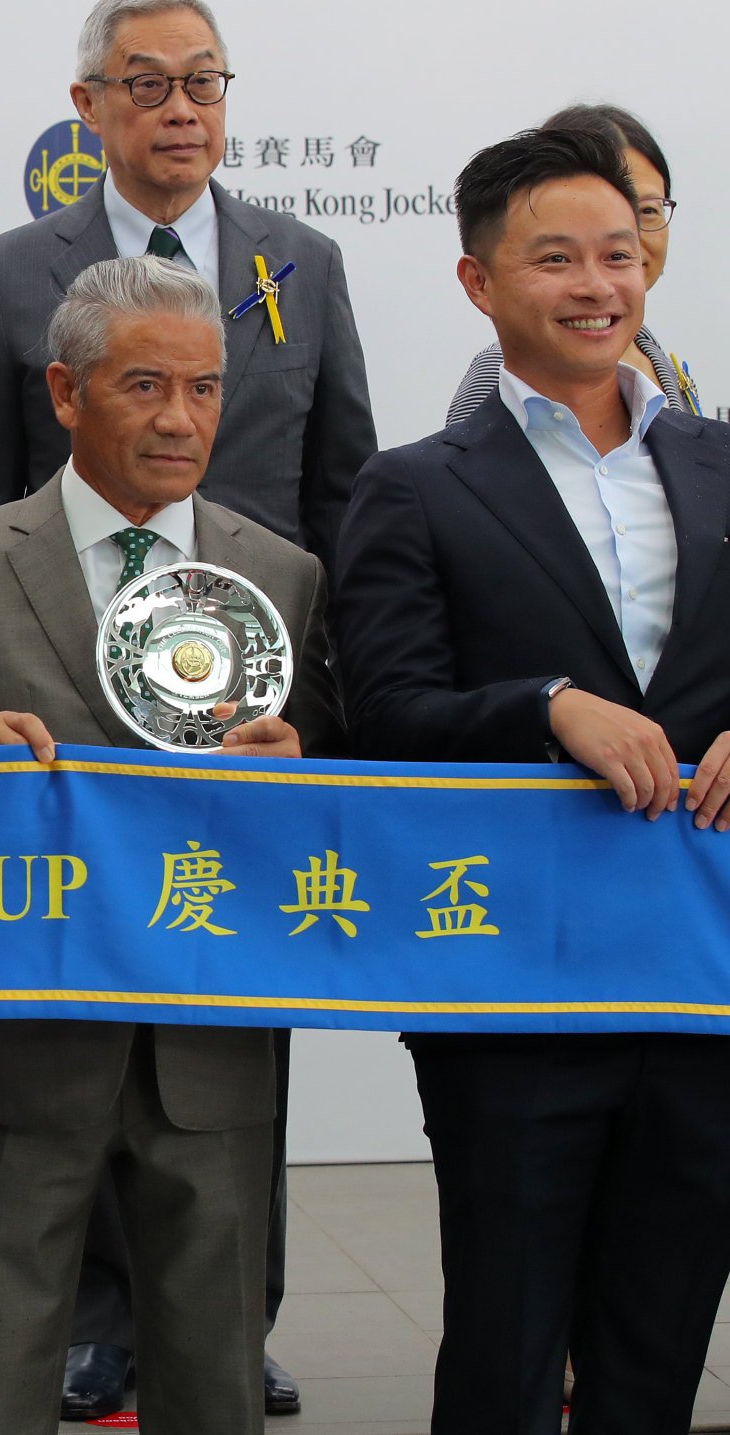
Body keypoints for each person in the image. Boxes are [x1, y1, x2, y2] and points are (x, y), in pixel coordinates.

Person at [0, 0, 367, 1412]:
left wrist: (309, 715)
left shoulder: (305, 263)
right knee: (11, 1293)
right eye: (149, 84)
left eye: (204, 82)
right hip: (48, 871)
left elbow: (342, 490)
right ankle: (89, 1322)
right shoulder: (13, 272)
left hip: (222, 842)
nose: (181, 108)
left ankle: (224, 1327)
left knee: (214, 1212)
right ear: (92, 105)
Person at [0, 256, 340, 1435]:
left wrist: (293, 777)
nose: (181, 419)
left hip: (209, 1043)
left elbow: (338, 820)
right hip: (19, 1041)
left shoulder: (280, 576)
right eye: (142, 386)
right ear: (65, 392)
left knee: (214, 1373)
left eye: (205, 388)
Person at [332, 126, 730, 1435]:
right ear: (479, 283)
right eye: (554, 258)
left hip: (704, 983)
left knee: (657, 1344)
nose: (597, 284)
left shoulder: (726, 466)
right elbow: (386, 716)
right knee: (504, 1344)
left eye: (618, 253)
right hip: (515, 986)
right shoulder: (415, 489)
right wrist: (546, 705)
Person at [447, 105, 699, 424]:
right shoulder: (498, 375)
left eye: (648, 210)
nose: (630, 234)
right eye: (558, 257)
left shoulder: (647, 346)